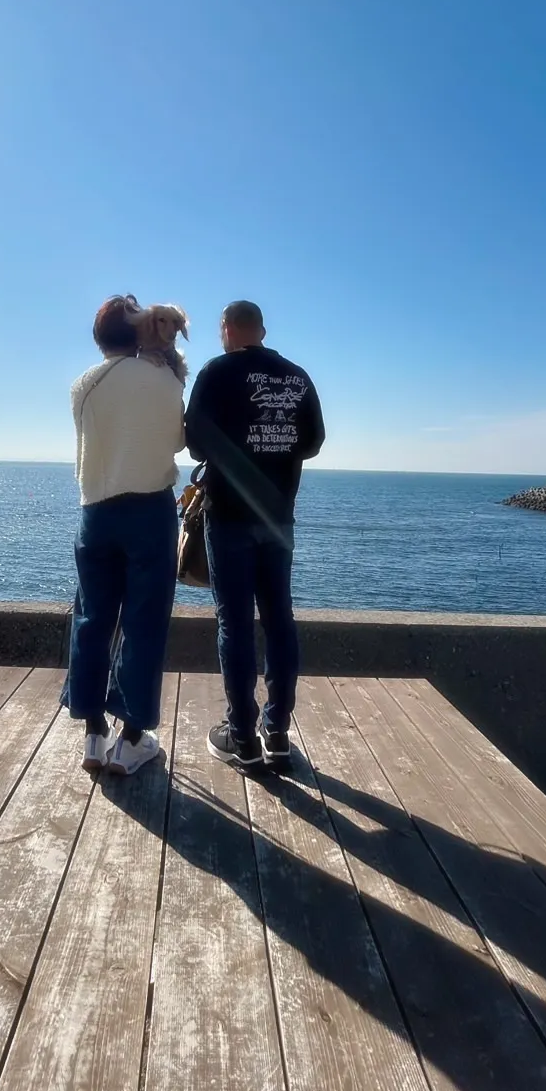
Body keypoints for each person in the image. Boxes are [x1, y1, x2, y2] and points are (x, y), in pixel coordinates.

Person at [185, 300, 325, 768]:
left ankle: (242, 737)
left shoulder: (217, 372)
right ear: (261, 331)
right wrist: (274, 449)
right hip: (278, 517)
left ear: (226, 329)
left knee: (235, 623)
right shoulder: (296, 376)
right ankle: (277, 732)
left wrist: (236, 450)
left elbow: (196, 443)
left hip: (228, 517)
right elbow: (313, 441)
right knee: (280, 619)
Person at [62, 294, 185, 775]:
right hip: (149, 510)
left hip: (95, 511)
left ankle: (94, 732)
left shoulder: (82, 384)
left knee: (92, 617)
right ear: (139, 331)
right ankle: (132, 738)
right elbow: (177, 440)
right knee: (144, 622)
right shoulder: (164, 379)